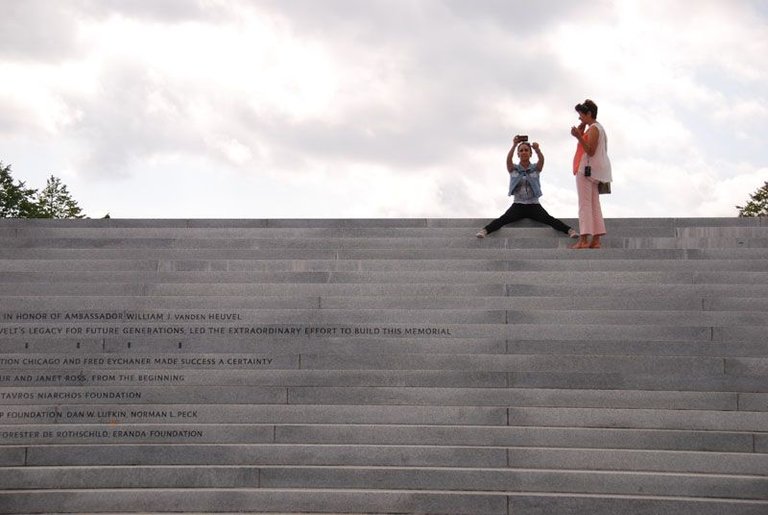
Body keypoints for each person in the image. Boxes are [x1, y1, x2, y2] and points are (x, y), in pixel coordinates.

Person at [476, 135, 578, 239]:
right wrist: (514, 145)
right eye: (521, 151)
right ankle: (485, 231)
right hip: (518, 204)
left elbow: (541, 160)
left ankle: (570, 231)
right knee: (504, 218)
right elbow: (508, 159)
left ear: (530, 154)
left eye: (526, 150)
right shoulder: (514, 169)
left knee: (549, 219)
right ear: (518, 154)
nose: (524, 152)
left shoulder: (535, 168)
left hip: (533, 204)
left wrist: (537, 150)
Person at [570, 99, 611, 249]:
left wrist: (578, 136)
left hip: (586, 171)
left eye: (581, 115)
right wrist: (581, 133)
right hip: (593, 172)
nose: (580, 118)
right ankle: (596, 239)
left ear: (589, 113)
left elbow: (590, 150)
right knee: (594, 204)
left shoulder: (594, 128)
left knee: (585, 204)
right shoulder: (597, 128)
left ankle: (584, 239)